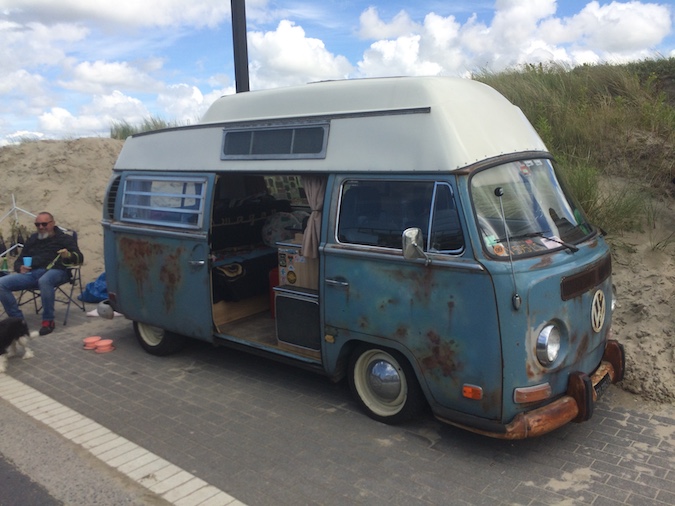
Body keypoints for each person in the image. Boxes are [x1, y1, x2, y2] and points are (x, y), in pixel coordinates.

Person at [0, 212, 83, 335]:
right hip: (32, 273)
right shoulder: (33, 239)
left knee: (45, 280)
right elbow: (19, 260)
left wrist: (68, 255)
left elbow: (79, 258)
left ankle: (48, 321)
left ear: (53, 223)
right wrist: (20, 267)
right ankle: (18, 321)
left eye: (44, 224)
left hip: (57, 271)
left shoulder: (64, 239)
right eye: (37, 224)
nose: (41, 227)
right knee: (1, 283)